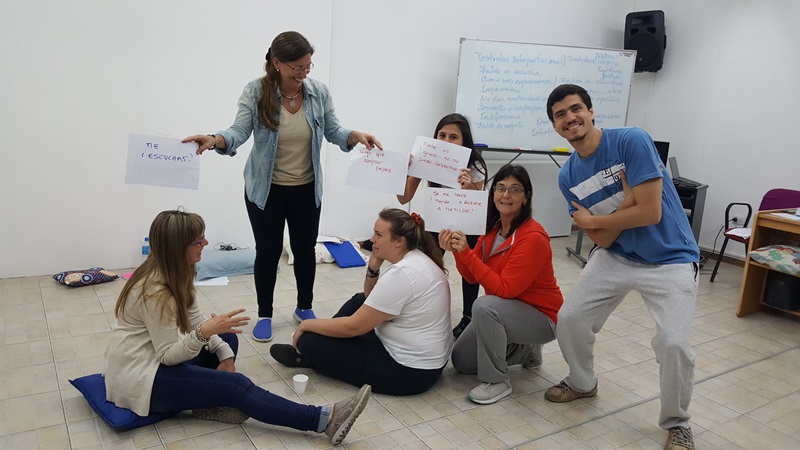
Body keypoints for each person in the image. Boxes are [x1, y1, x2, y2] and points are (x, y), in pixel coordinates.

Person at [104, 210, 371, 446]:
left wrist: (225, 355)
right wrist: (204, 333)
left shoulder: (179, 271)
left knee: (227, 341)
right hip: (140, 378)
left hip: (153, 361)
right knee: (237, 386)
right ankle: (324, 420)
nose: (206, 243)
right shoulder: (155, 292)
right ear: (177, 248)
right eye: (198, 241)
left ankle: (209, 397)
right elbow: (167, 356)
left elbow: (196, 321)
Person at [183, 31, 382, 343]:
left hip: (306, 188)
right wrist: (215, 140)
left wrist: (353, 135)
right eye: (297, 67)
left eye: (308, 66)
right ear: (277, 63)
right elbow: (238, 131)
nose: (303, 73)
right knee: (268, 252)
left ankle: (304, 307)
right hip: (266, 191)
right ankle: (265, 314)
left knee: (304, 250)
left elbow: (333, 129)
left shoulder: (318, 93)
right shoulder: (256, 91)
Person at [545, 84, 699, 450]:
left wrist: (597, 219)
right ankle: (582, 382)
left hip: (672, 258)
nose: (570, 118)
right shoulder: (568, 177)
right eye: (560, 115)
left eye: (576, 108)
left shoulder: (631, 140)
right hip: (616, 256)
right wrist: (627, 201)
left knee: (674, 344)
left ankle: (677, 422)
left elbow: (651, 212)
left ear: (591, 111)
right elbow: (603, 240)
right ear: (554, 126)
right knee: (570, 319)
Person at [269, 208, 453, 395]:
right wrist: (373, 268)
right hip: (425, 362)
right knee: (360, 300)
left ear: (399, 241)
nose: (372, 239)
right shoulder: (417, 258)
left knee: (308, 341)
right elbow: (369, 298)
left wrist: (306, 325)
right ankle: (326, 342)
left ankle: (312, 355)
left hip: (408, 372)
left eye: (379, 235)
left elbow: (354, 327)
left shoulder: (402, 274)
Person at [439, 164, 563, 404]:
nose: (506, 195)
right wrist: (457, 250)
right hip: (508, 311)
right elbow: (471, 277)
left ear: (526, 197)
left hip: (542, 318)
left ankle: (497, 381)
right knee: (462, 361)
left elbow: (505, 289)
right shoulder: (492, 230)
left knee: (484, 306)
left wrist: (466, 253)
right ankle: (526, 352)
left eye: (515, 189)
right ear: (493, 193)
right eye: (500, 188)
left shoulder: (533, 237)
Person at [396, 113, 488, 338]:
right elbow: (403, 197)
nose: (446, 141)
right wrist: (405, 171)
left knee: (469, 270)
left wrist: (468, 186)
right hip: (438, 219)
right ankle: (423, 309)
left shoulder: (474, 164)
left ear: (464, 141)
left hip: (467, 223)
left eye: (453, 137)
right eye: (442, 135)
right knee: (427, 264)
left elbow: (477, 204)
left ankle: (468, 317)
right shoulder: (425, 158)